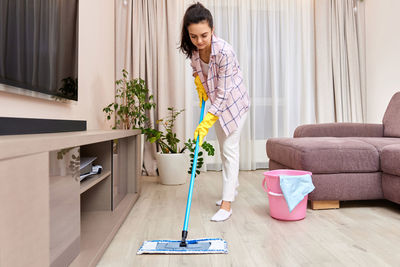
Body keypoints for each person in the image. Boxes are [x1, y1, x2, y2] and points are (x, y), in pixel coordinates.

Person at [179, 2, 250, 222]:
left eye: (204, 35)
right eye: (193, 36)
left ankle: (227, 205)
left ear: (212, 29)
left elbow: (224, 92)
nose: (199, 41)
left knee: (229, 150)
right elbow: (197, 71)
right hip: (217, 106)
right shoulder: (194, 52)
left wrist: (208, 119)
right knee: (224, 149)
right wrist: (199, 84)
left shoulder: (225, 52)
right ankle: (233, 188)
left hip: (234, 104)